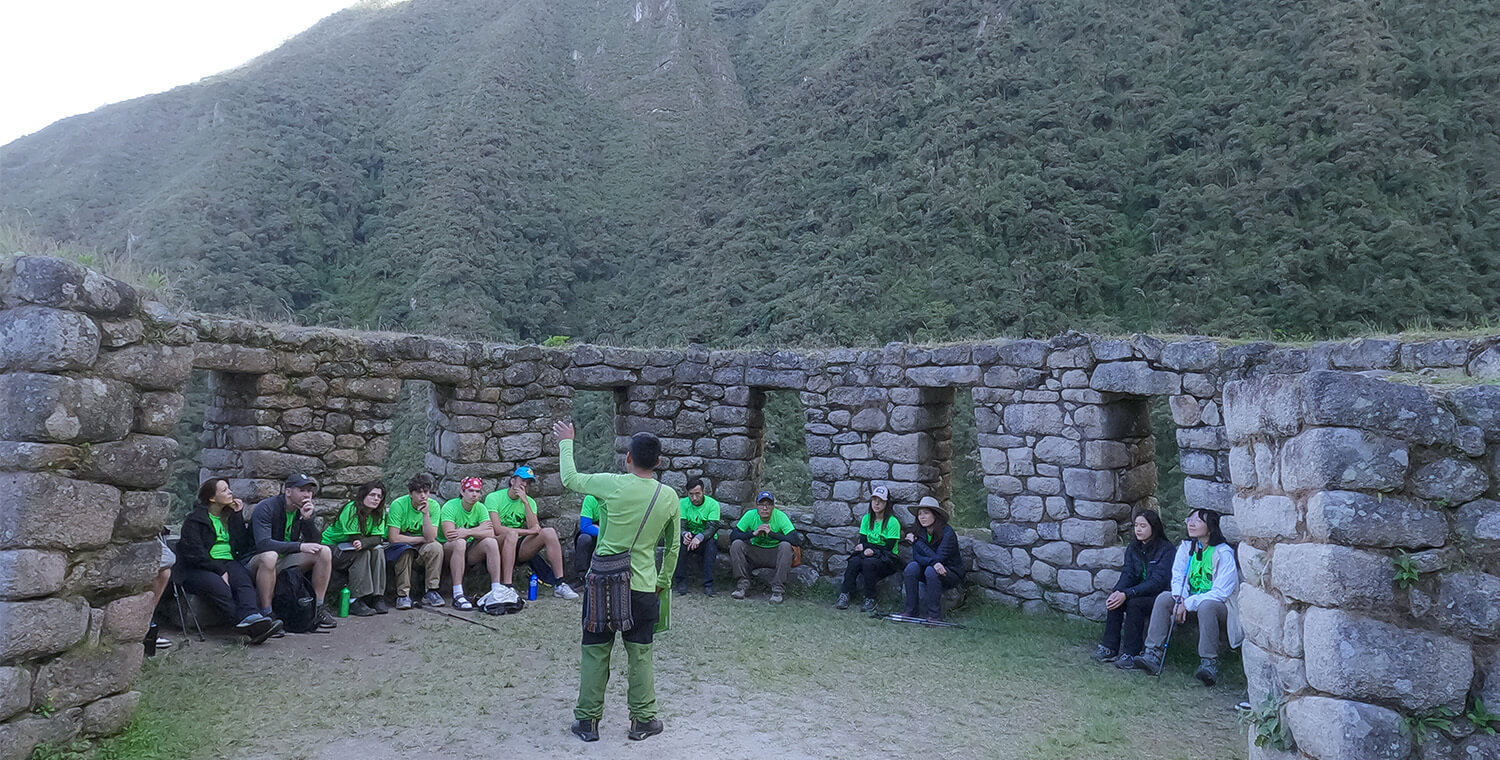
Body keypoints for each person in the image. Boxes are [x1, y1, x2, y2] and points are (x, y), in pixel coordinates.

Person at [554, 420, 680, 743]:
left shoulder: (611, 485)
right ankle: (643, 720)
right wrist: (662, 581)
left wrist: (567, 441)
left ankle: (587, 722)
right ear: (659, 463)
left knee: (595, 651)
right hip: (642, 585)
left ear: (628, 458)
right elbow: (673, 546)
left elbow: (570, 479)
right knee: (640, 654)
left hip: (604, 584)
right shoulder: (668, 497)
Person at [1132, 508, 1241, 686]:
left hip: (1219, 607)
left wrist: (1187, 604)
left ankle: (1209, 663)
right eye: (1189, 519)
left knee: (1207, 605)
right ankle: (1152, 653)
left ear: (1210, 526)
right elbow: (1178, 576)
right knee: (1164, 598)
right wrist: (1179, 600)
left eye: (1197, 521)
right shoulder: (1186, 548)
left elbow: (1221, 592)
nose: (1191, 523)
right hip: (1188, 600)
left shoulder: (1223, 553)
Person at [175, 478, 283, 643]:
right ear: (212, 498)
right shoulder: (195, 520)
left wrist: (238, 516)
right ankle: (243, 624)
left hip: (228, 562)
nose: (230, 492)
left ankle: (253, 617)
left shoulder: (229, 516)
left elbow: (242, 545)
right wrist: (219, 570)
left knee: (243, 582)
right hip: (199, 567)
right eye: (225, 490)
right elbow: (193, 553)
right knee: (219, 587)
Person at [248, 473, 337, 629]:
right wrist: (299, 546)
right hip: (255, 561)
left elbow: (316, 542)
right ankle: (267, 614)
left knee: (324, 552)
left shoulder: (303, 510)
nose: (307, 495)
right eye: (302, 490)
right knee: (270, 556)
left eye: (309, 491)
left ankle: (317, 609)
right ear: (287, 491)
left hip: (284, 559)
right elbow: (263, 544)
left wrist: (307, 521)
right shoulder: (267, 507)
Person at [485, 466, 579, 600]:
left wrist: (525, 502)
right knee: (510, 535)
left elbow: (535, 527)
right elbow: (497, 529)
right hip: (499, 544)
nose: (525, 485)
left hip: (519, 546)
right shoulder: (493, 498)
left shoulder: (530, 502)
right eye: (522, 480)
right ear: (512, 481)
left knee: (549, 532)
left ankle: (559, 584)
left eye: (528, 483)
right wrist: (527, 531)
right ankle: (507, 585)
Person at [1095, 510, 1174, 667]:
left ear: (1154, 527)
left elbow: (1157, 581)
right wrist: (1119, 591)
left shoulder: (1167, 550)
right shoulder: (1134, 548)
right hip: (1137, 591)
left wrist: (1128, 593)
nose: (1138, 529)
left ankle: (1131, 653)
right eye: (1136, 525)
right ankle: (1109, 647)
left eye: (1143, 526)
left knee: (1134, 603)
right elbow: (1128, 574)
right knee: (1115, 598)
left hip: (1159, 595)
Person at [440, 477, 516, 610]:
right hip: (448, 549)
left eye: (477, 491)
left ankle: (496, 588)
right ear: (462, 492)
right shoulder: (450, 506)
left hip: (470, 548)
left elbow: (490, 532)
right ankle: (458, 594)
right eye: (470, 491)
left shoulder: (480, 508)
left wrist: (467, 532)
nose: (474, 494)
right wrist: (478, 530)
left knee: (491, 542)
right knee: (459, 543)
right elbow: (449, 534)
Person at [321, 480, 390, 617]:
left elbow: (378, 538)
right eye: (372, 495)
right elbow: (355, 538)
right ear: (363, 495)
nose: (376, 499)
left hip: (353, 546)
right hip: (332, 547)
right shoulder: (351, 509)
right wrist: (364, 543)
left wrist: (364, 543)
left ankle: (377, 596)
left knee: (378, 550)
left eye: (379, 496)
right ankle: (355, 600)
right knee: (363, 553)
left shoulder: (379, 512)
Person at [836, 485, 901, 613]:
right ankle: (845, 593)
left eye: (881, 500)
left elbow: (888, 547)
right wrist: (868, 548)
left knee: (868, 563)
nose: (876, 503)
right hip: (869, 554)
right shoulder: (867, 519)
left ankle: (870, 598)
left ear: (886, 503)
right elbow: (863, 541)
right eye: (874, 499)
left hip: (888, 559)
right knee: (854, 561)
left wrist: (871, 549)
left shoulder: (893, 522)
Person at [385, 473, 446, 609]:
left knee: (436, 547)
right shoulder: (398, 505)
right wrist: (421, 539)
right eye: (419, 492)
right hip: (401, 545)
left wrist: (425, 515)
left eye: (426, 492)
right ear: (411, 494)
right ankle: (403, 595)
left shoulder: (434, 506)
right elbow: (393, 537)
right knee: (405, 550)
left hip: (422, 545)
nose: (423, 496)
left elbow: (431, 537)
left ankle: (431, 591)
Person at [729, 491, 801, 603]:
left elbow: (795, 540)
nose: (765, 508)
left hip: (774, 554)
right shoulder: (750, 515)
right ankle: (742, 586)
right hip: (756, 553)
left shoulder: (780, 516)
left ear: (773, 507)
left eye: (768, 505)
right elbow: (733, 535)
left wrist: (772, 534)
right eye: (761, 505)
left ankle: (778, 590)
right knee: (736, 544)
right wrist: (753, 533)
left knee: (786, 546)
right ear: (756, 506)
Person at [902, 496, 964, 621]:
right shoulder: (919, 532)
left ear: (935, 515)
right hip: (930, 568)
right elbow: (917, 557)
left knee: (931, 571)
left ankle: (934, 615)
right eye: (919, 514)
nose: (922, 517)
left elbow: (939, 557)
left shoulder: (948, 532)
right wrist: (933, 562)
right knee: (911, 567)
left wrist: (916, 542)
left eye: (926, 513)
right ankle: (911, 611)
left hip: (949, 572)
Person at [672, 477, 721, 596]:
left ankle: (708, 584)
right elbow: (680, 524)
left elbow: (712, 527)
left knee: (711, 546)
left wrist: (700, 537)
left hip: (706, 537)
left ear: (703, 492)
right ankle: (681, 582)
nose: (694, 498)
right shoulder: (683, 503)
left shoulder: (713, 505)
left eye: (697, 494)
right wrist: (685, 533)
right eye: (691, 494)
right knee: (679, 544)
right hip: (689, 536)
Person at [574, 494, 602, 577]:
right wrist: (601, 531)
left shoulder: (616, 498)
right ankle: (581, 575)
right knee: (584, 539)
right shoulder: (591, 498)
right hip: (596, 534)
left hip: (612, 532)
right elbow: (585, 527)